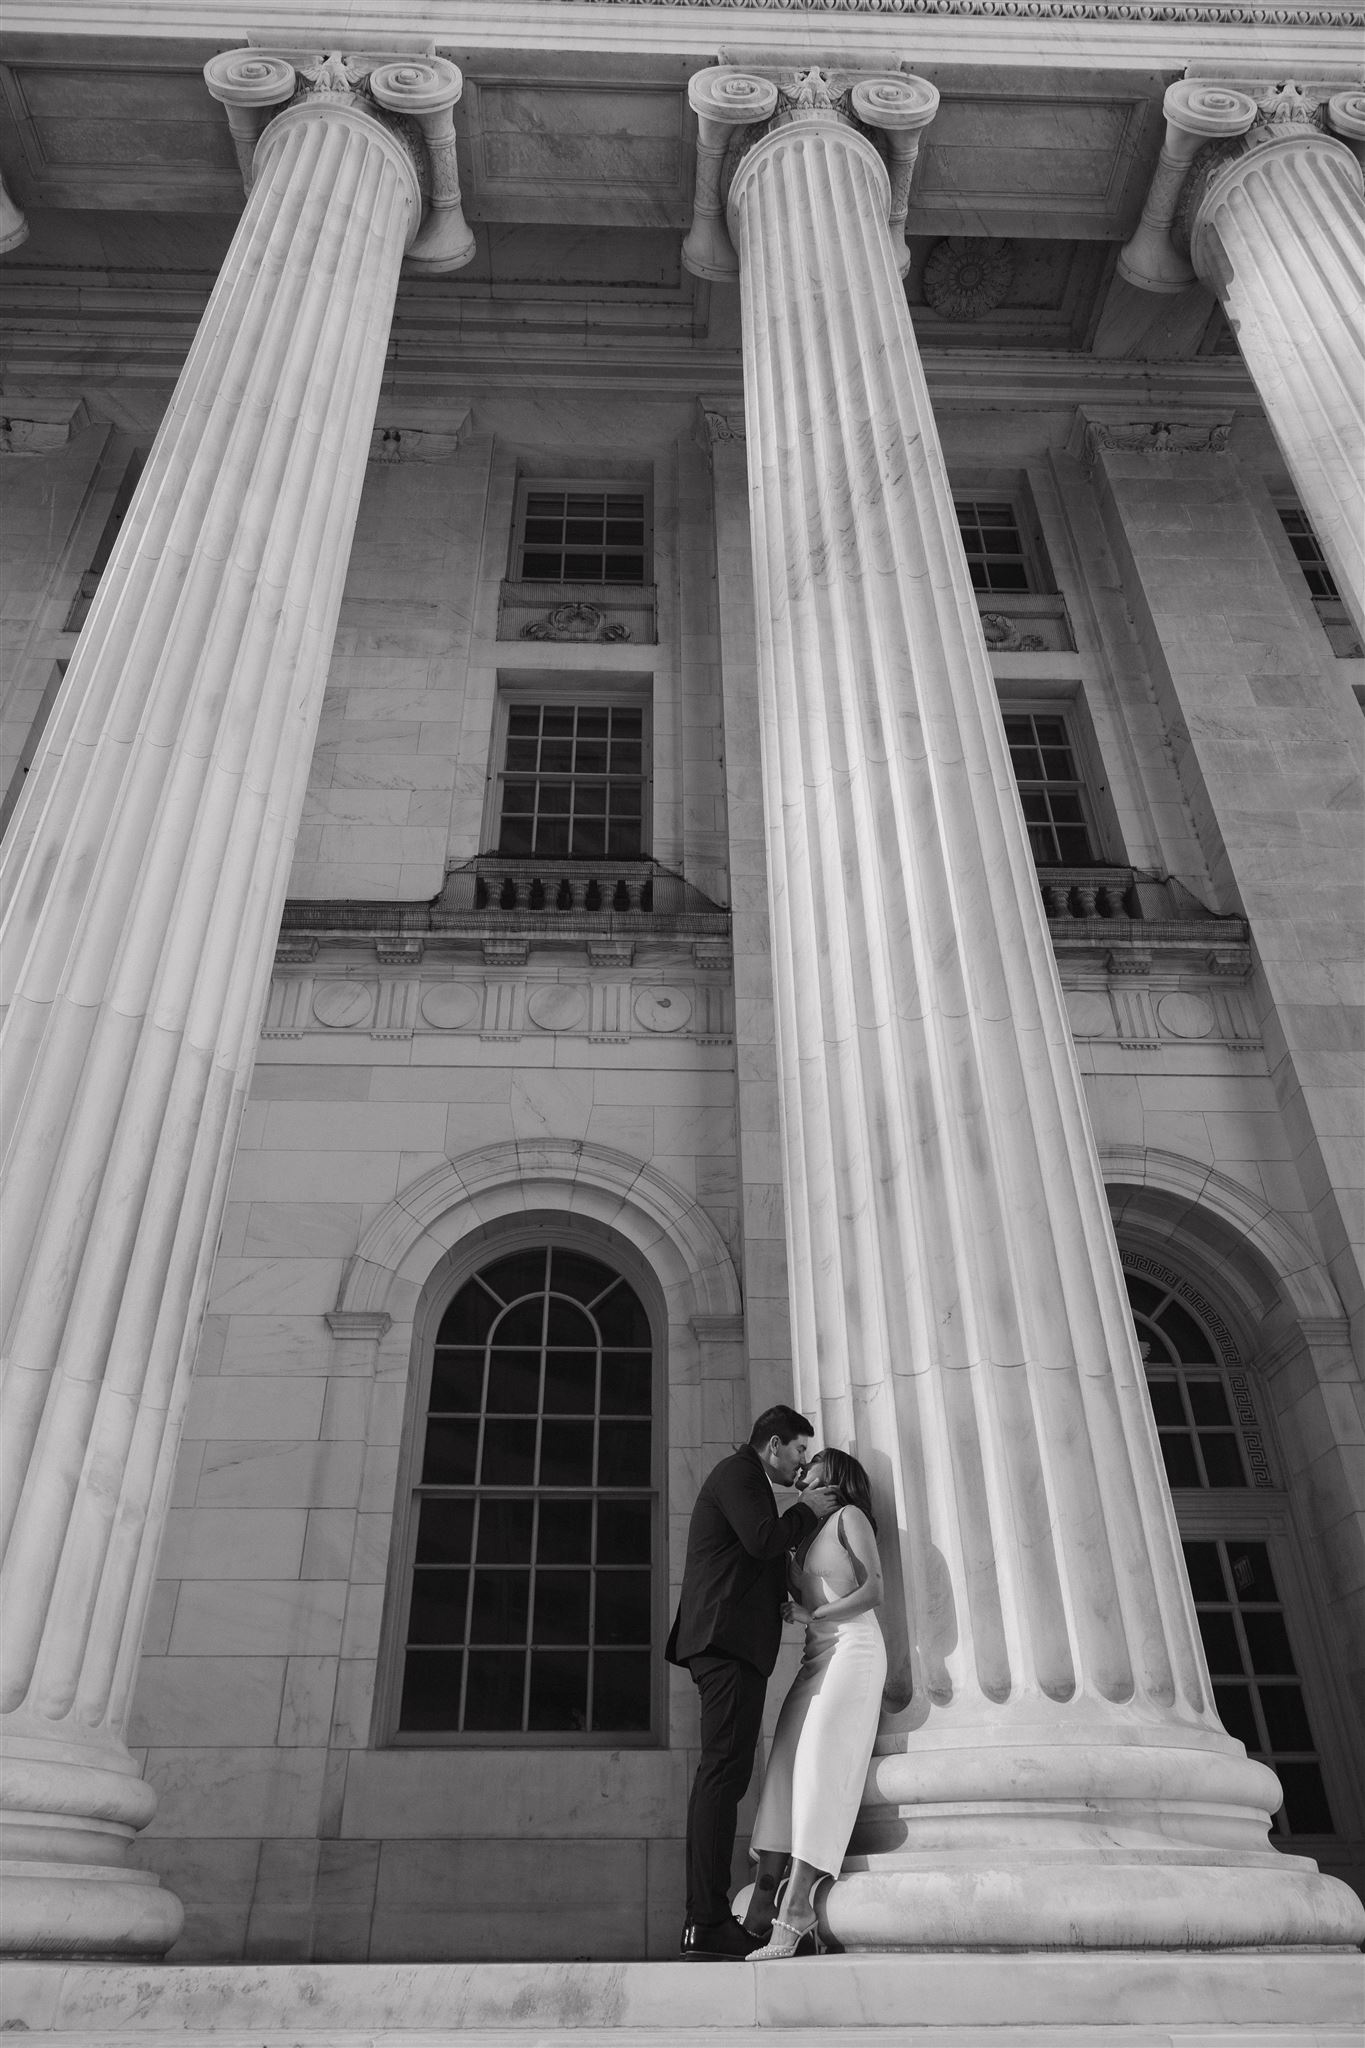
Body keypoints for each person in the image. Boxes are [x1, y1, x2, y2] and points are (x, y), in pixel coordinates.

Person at [666, 1405, 840, 1961]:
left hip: (731, 1646)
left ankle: (707, 1919)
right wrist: (808, 1509)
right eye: (796, 1451)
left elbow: (746, 1558)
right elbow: (764, 1540)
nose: (801, 1463)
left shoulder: (747, 1480)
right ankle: (707, 1920)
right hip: (724, 1646)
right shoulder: (738, 1474)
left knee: (725, 1776)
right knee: (721, 1776)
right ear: (771, 1446)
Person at [744, 1446, 887, 1959]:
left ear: (838, 1476)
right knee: (783, 1764)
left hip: (853, 1649)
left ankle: (798, 1906)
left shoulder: (850, 1518)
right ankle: (763, 1901)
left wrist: (813, 1617)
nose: (803, 1470)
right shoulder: (800, 1533)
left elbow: (875, 1591)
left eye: (815, 1463)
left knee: (818, 1768)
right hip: (815, 1658)